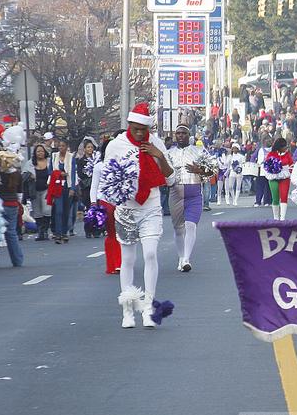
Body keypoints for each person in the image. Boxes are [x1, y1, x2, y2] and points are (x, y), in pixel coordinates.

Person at [102, 103, 175, 328]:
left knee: (151, 254)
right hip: (126, 209)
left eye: (144, 129)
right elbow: (108, 177)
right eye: (136, 128)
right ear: (129, 125)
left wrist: (159, 156)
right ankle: (127, 310)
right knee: (128, 259)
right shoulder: (116, 145)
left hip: (151, 206)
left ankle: (149, 308)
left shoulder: (156, 143)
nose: (141, 133)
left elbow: (170, 177)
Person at [167, 126, 209, 273]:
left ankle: (186, 259)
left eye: (184, 133)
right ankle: (181, 257)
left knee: (191, 225)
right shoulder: (169, 153)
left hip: (194, 193)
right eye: (178, 133)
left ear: (189, 135)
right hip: (175, 193)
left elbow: (212, 170)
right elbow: (164, 172)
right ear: (174, 136)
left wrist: (201, 171)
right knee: (179, 229)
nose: (180, 136)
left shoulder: (199, 151)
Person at [90, 138, 121, 275]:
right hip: (105, 202)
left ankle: (121, 263)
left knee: (121, 234)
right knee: (111, 233)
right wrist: (93, 204)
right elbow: (94, 186)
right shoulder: (99, 166)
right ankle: (112, 265)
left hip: (121, 202)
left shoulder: (122, 165)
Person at [49, 139, 76, 243]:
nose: (61, 148)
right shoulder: (54, 156)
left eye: (63, 146)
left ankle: (64, 232)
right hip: (57, 185)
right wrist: (58, 173)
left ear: (67, 147)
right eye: (59, 146)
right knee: (58, 210)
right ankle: (58, 233)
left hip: (67, 186)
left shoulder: (71, 157)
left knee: (66, 211)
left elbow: (73, 173)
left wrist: (73, 188)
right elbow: (50, 171)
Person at [264, 137, 294, 220]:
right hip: (273, 177)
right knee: (275, 198)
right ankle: (276, 218)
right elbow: (266, 166)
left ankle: (282, 218)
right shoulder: (271, 154)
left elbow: (291, 165)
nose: (286, 148)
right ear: (279, 147)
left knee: (284, 196)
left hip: (285, 177)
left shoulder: (288, 154)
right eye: (284, 146)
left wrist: (289, 172)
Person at [30, 144, 52, 241]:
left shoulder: (49, 162)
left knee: (47, 210)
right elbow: (24, 175)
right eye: (38, 151)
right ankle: (40, 232)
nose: (40, 153)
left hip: (46, 189)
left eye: (42, 151)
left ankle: (46, 230)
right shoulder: (30, 163)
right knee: (37, 212)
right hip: (34, 191)